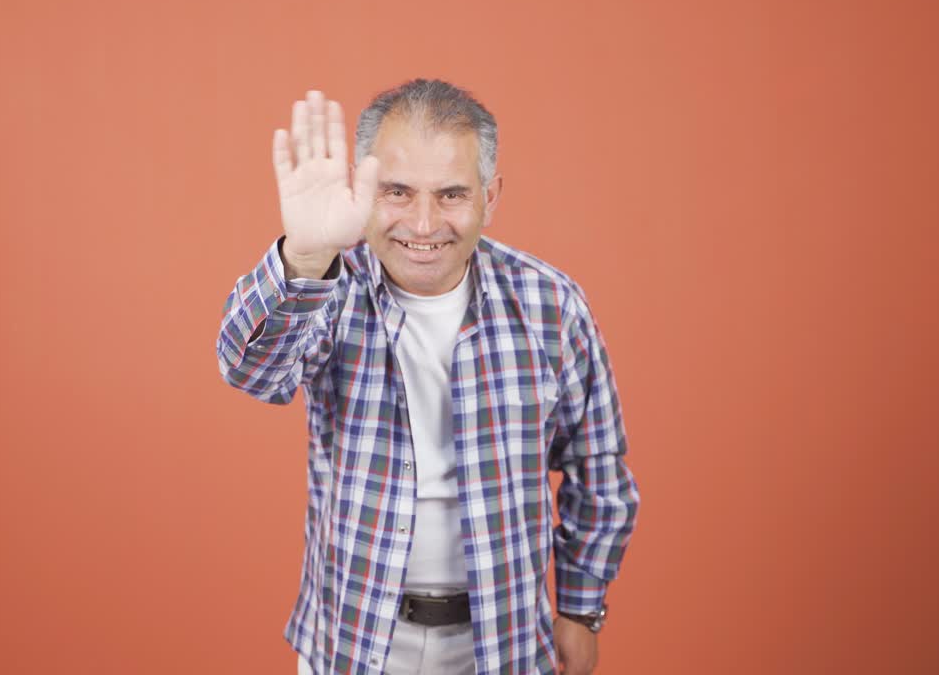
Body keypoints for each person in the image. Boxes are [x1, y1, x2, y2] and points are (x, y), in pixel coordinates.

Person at [216, 80, 640, 675]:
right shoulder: (331, 291)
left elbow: (599, 471)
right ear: (363, 191)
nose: (423, 222)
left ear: (489, 198)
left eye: (450, 194)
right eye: (397, 191)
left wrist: (580, 608)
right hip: (354, 637)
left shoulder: (551, 304)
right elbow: (252, 371)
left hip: (504, 641)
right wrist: (306, 259)